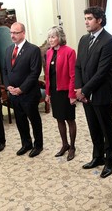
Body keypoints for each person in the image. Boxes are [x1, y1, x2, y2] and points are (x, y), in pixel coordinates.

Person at [75, 6, 112, 178]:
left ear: (99, 20)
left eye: (90, 18)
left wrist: (84, 90)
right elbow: (78, 66)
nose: (86, 21)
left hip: (101, 93)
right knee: (93, 127)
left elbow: (101, 72)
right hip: (85, 93)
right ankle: (97, 156)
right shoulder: (84, 39)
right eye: (85, 18)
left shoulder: (109, 41)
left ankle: (110, 160)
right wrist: (79, 88)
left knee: (106, 128)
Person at [3, 22, 43, 158]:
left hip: (29, 93)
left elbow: (34, 73)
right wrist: (8, 85)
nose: (12, 35)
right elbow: (5, 70)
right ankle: (26, 144)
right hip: (13, 94)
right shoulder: (8, 50)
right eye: (11, 33)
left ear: (23, 33)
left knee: (34, 120)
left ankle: (38, 145)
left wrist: (21, 89)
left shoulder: (33, 50)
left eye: (15, 33)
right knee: (20, 120)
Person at [45, 26, 77, 161]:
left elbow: (73, 75)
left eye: (53, 37)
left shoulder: (70, 51)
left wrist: (72, 95)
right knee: (59, 119)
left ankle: (72, 147)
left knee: (70, 120)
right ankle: (64, 144)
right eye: (49, 37)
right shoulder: (48, 52)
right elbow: (48, 75)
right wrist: (47, 93)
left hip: (65, 92)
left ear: (60, 37)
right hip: (54, 91)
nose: (51, 40)